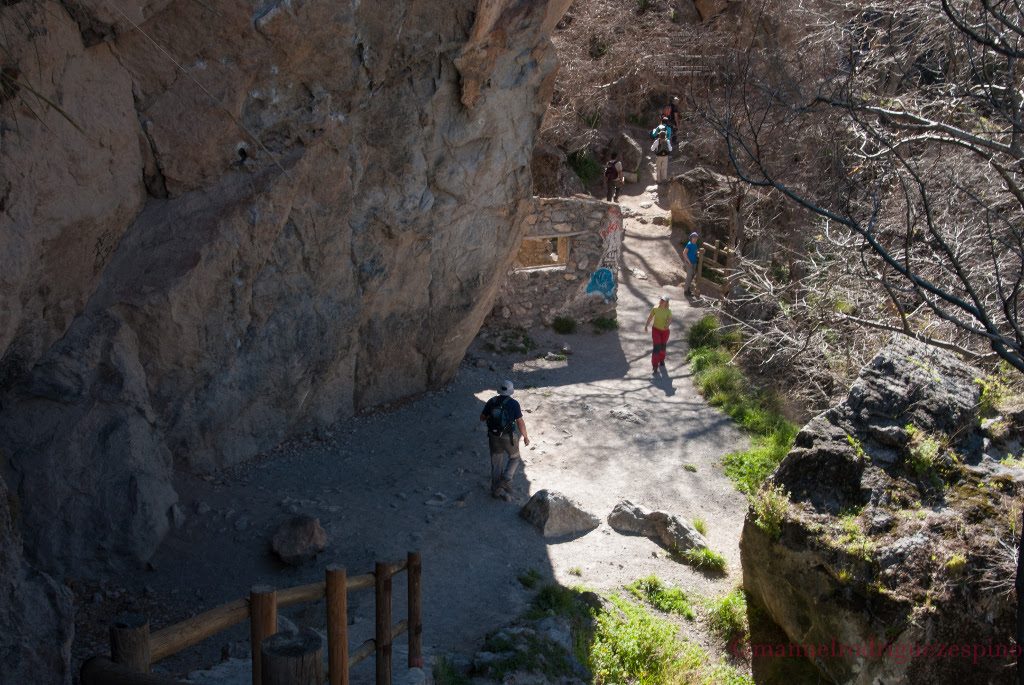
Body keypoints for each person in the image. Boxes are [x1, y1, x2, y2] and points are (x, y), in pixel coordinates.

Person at [479, 380, 530, 501]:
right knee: (515, 458)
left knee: (496, 462)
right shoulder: (514, 404)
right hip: (509, 437)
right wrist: (525, 437)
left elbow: (482, 418)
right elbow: (520, 422)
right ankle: (506, 479)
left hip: (493, 436)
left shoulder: (492, 401)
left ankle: (496, 490)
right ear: (511, 391)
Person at [644, 294, 672, 376]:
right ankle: (655, 365)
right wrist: (646, 325)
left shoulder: (668, 311)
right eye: (661, 300)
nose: (661, 301)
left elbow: (670, 319)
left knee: (663, 346)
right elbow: (650, 317)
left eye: (663, 300)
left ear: (666, 302)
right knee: (656, 347)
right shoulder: (655, 308)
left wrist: (667, 324)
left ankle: (661, 359)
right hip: (656, 330)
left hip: (665, 332)